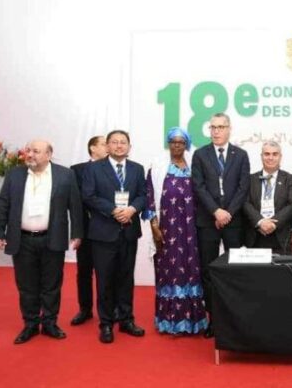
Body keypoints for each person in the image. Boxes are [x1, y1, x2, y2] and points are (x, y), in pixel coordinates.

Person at [0, 139, 83, 344]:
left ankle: (50, 323)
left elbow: (75, 205)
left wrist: (77, 233)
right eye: (28, 150)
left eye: (36, 151)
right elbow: (2, 203)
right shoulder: (14, 174)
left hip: (53, 237)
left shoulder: (65, 174)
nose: (30, 154)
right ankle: (30, 324)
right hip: (22, 239)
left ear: (49, 154)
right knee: (26, 286)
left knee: (52, 284)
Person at [82, 130, 148, 343]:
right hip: (103, 232)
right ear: (108, 146)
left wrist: (132, 209)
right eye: (114, 142)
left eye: (123, 142)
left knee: (126, 278)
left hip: (129, 231)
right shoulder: (93, 168)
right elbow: (88, 196)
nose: (119, 146)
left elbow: (143, 195)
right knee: (105, 280)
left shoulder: (137, 169)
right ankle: (106, 323)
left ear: (129, 147)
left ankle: (126, 320)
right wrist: (113, 210)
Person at [191, 113, 250, 338]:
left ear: (229, 129)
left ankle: (234, 319)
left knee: (234, 270)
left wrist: (228, 213)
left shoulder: (241, 155)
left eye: (221, 127)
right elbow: (198, 186)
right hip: (207, 220)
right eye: (213, 127)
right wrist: (216, 211)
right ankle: (214, 319)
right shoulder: (200, 154)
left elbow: (243, 187)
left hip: (234, 222)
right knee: (208, 270)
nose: (216, 131)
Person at [145, 128, 207, 335]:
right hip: (167, 230)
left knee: (192, 271)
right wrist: (154, 227)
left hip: (192, 231)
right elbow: (149, 199)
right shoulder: (157, 167)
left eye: (181, 142)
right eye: (173, 141)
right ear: (168, 143)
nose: (177, 145)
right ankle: (169, 321)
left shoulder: (195, 167)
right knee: (169, 272)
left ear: (187, 144)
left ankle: (193, 321)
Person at [69, 135, 107, 326]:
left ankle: (108, 310)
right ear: (93, 148)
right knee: (84, 271)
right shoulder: (77, 170)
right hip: (86, 229)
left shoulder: (114, 168)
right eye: (104, 144)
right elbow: (76, 201)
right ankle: (85, 309)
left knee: (107, 273)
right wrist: (76, 231)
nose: (108, 146)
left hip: (107, 228)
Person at [243, 141, 292, 251]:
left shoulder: (290, 179)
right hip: (255, 234)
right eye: (267, 154)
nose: (270, 158)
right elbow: (245, 203)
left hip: (281, 235)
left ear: (280, 157)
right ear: (261, 156)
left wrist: (272, 223)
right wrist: (260, 221)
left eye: (275, 154)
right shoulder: (250, 179)